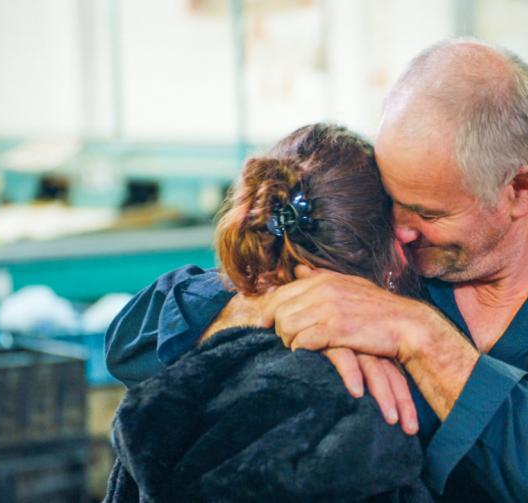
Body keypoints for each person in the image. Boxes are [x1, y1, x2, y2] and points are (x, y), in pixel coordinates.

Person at [106, 39, 528, 502]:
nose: (399, 230)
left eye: (428, 211)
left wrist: (420, 336)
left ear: (522, 189)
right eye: (394, 201)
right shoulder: (386, 264)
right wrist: (265, 303)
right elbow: (133, 345)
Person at [104, 123, 432, 502]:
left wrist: (253, 300)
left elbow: (124, 346)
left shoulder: (191, 341)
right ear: (391, 250)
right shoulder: (374, 407)